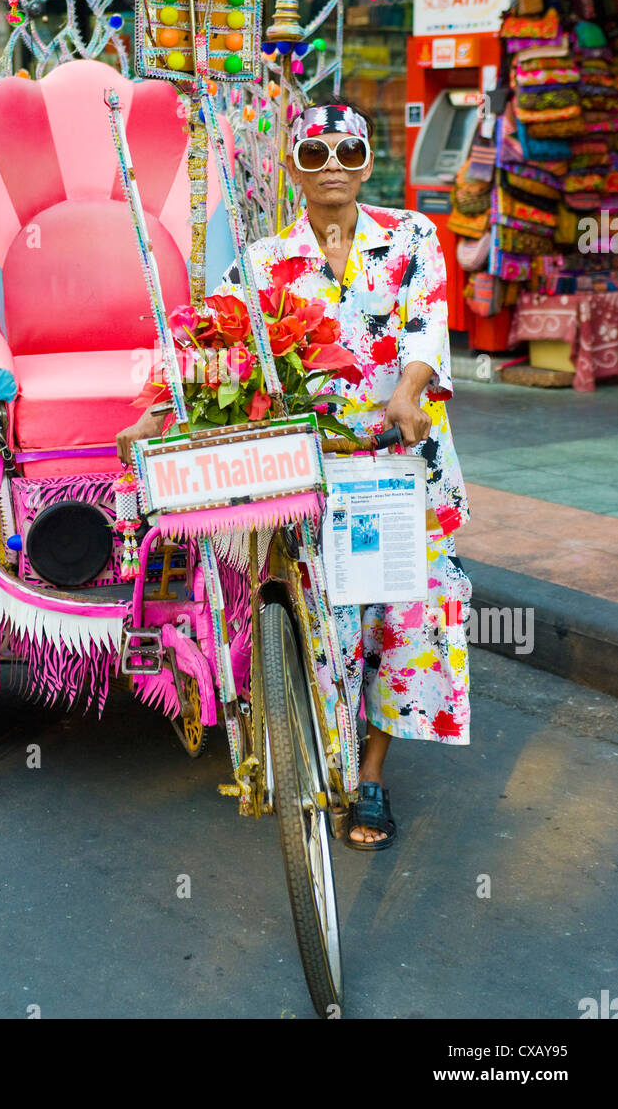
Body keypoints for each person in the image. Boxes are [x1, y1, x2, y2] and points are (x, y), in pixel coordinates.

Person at [117, 97, 471, 852]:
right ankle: (324, 753)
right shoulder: (263, 263)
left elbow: (424, 325)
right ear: (292, 169)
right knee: (332, 630)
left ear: (368, 161)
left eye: (347, 153)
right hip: (313, 474)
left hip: (404, 465)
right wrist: (153, 413)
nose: (332, 167)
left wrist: (408, 393)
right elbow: (207, 346)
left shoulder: (412, 236)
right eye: (315, 155)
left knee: (403, 625)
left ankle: (369, 777)